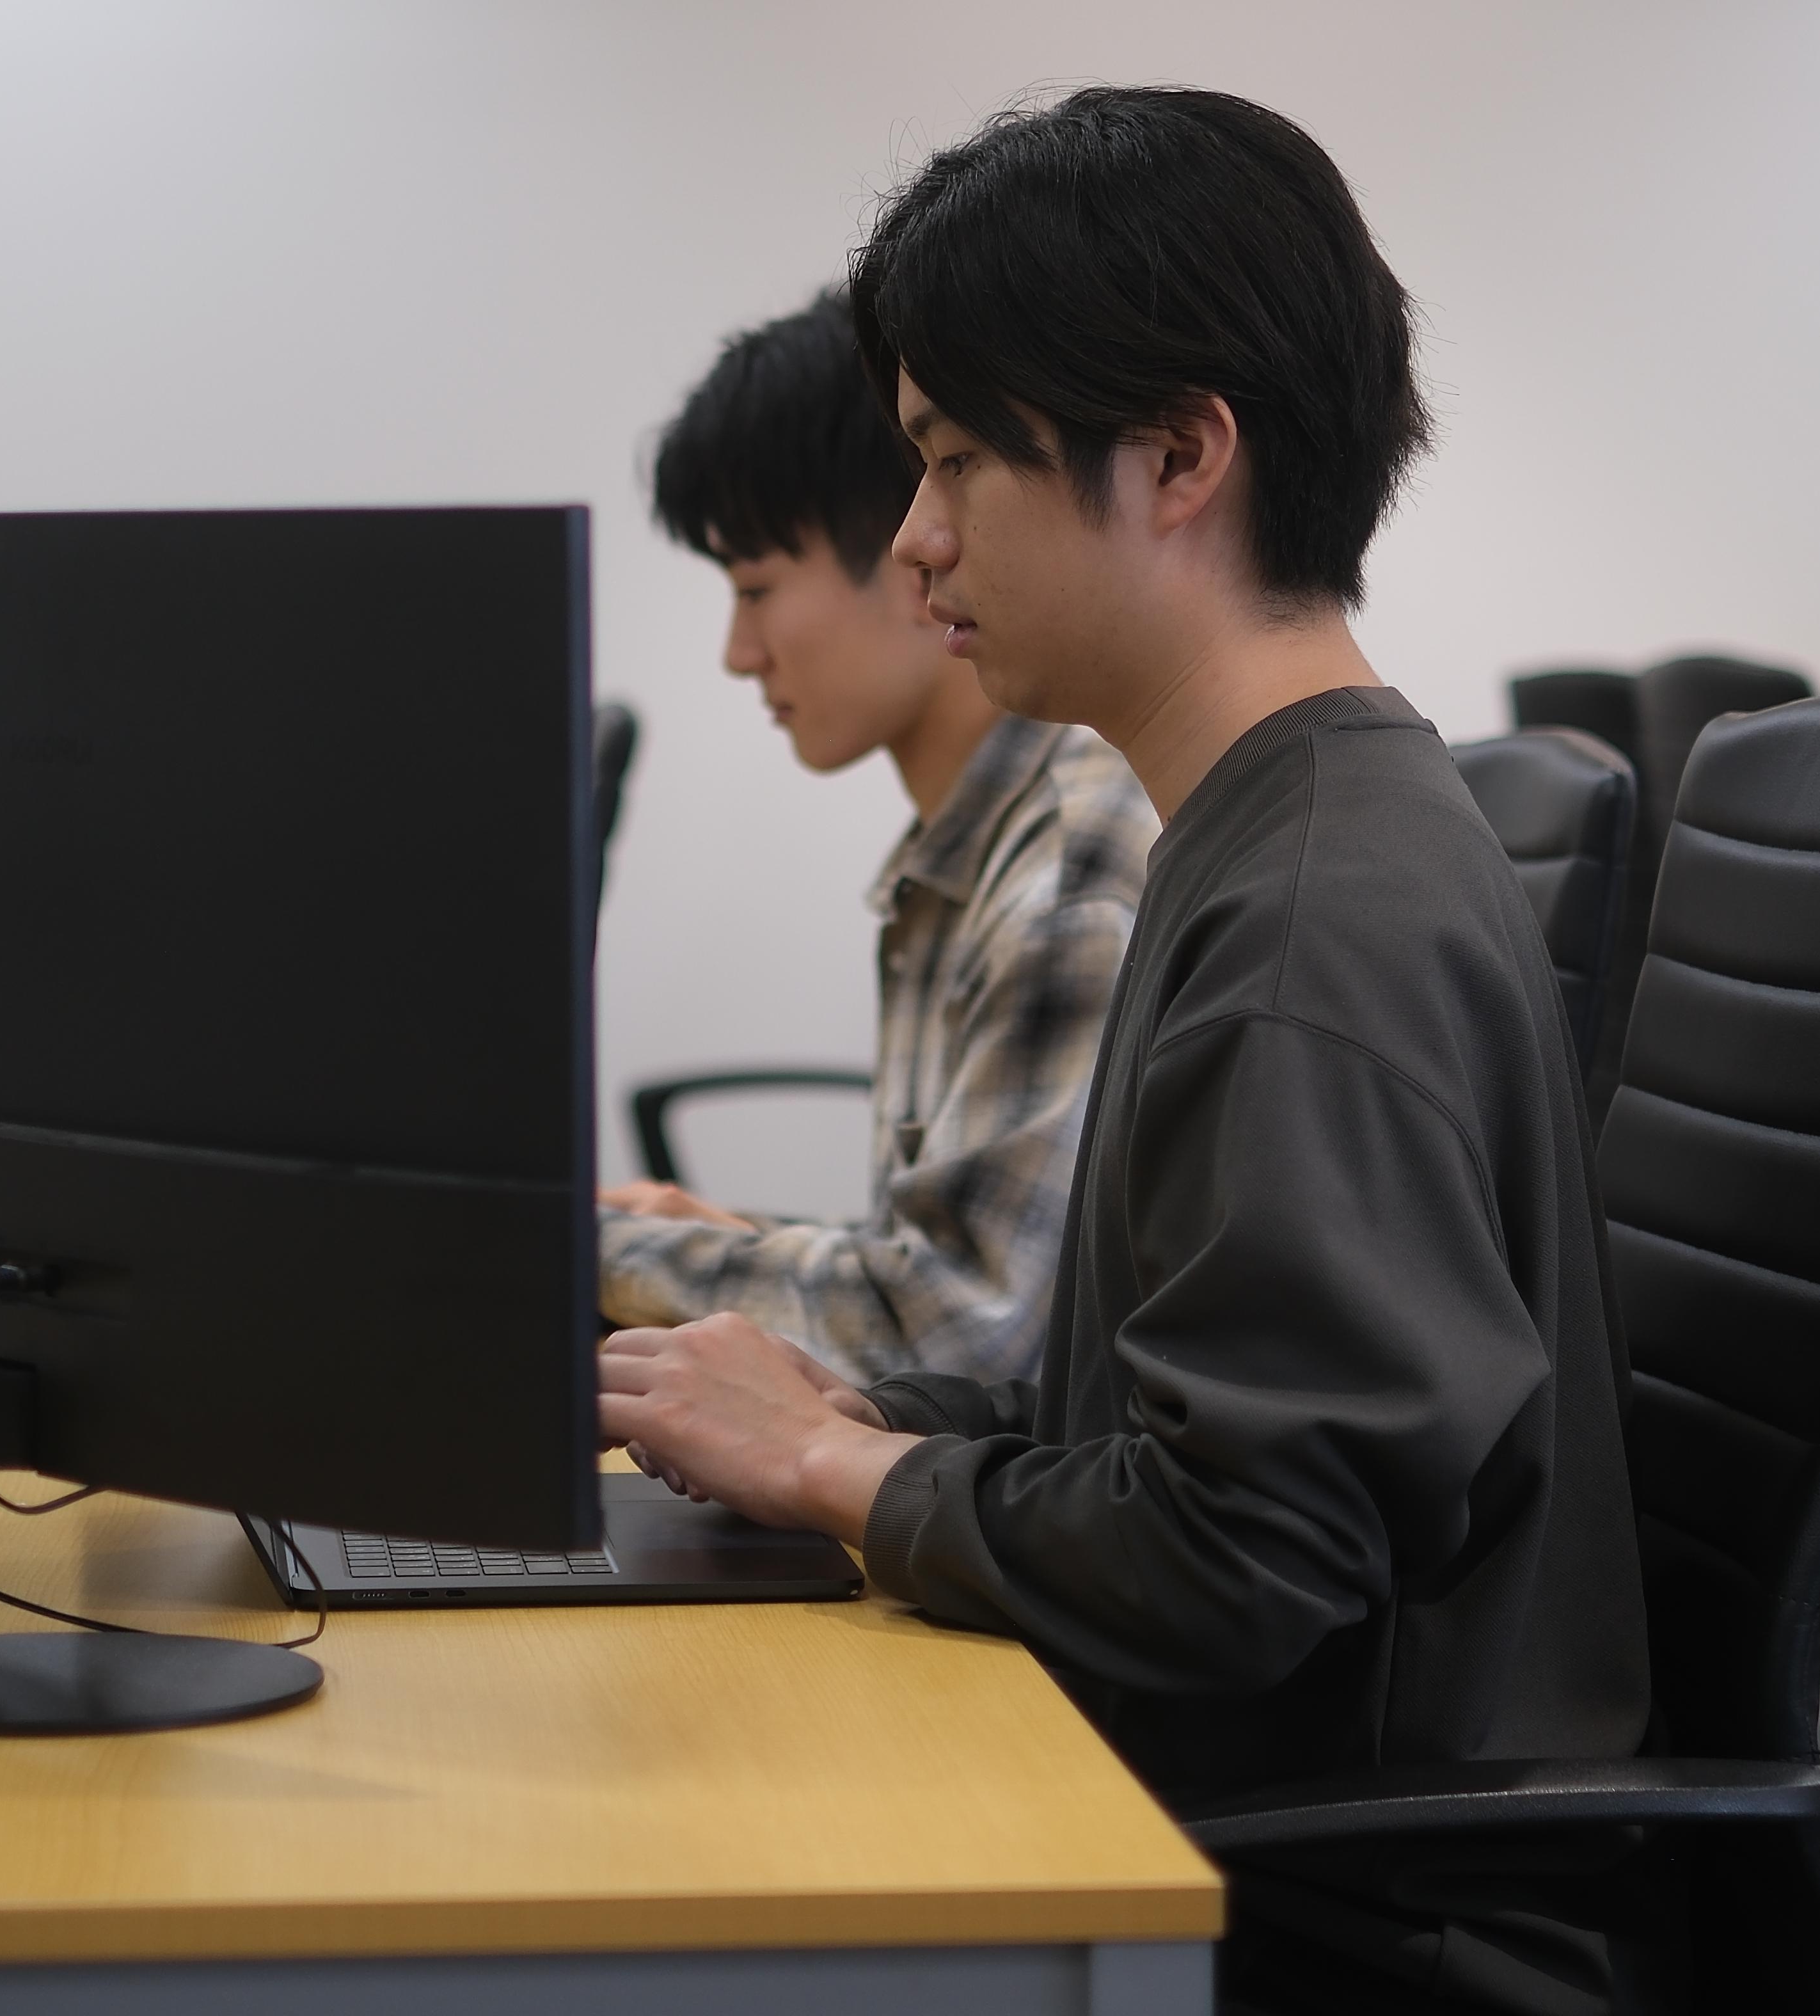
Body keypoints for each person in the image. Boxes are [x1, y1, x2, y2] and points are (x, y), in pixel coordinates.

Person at [597, 88, 1649, 1809]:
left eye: (954, 460)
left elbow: (1245, 1558)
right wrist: (860, 1421)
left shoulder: (1312, 921)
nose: (918, 538)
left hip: (1314, 1877)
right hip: (1222, 1780)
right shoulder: (1274, 830)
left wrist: (830, 1471)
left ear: (1177, 459)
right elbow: (1147, 1425)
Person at [601, 289, 1154, 1381]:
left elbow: (961, 1335)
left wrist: (596, 1249)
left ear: (914, 559)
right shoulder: (966, 850)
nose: (739, 653)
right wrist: (726, 1246)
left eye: (755, 588)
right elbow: (947, 1266)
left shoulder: (1069, 866)